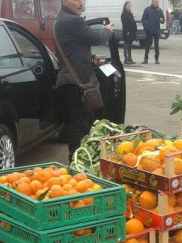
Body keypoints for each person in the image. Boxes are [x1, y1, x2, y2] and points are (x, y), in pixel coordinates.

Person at [53, 0, 113, 159]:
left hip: (70, 81)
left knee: (82, 123)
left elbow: (72, 50)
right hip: (74, 84)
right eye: (77, 0)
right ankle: (76, 160)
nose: (81, 3)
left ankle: (79, 158)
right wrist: (107, 30)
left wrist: (91, 60)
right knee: (79, 126)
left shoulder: (61, 19)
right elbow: (97, 38)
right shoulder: (73, 21)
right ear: (65, 1)